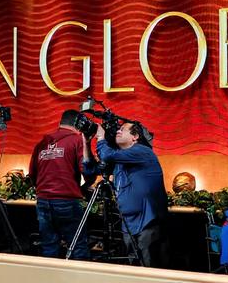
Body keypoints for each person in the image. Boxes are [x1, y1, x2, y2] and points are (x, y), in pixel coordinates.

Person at [90, 120, 169, 268]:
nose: (118, 131)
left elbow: (107, 155)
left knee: (149, 269)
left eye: (123, 129)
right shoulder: (120, 159)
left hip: (147, 224)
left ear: (135, 137)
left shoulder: (143, 151)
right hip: (128, 225)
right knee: (133, 270)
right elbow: (90, 170)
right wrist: (86, 143)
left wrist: (101, 137)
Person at [28, 109, 96, 259]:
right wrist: (84, 187)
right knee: (77, 245)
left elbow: (32, 174)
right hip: (66, 201)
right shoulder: (77, 140)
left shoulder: (42, 142)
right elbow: (88, 171)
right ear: (78, 124)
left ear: (60, 123)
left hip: (43, 201)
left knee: (49, 245)